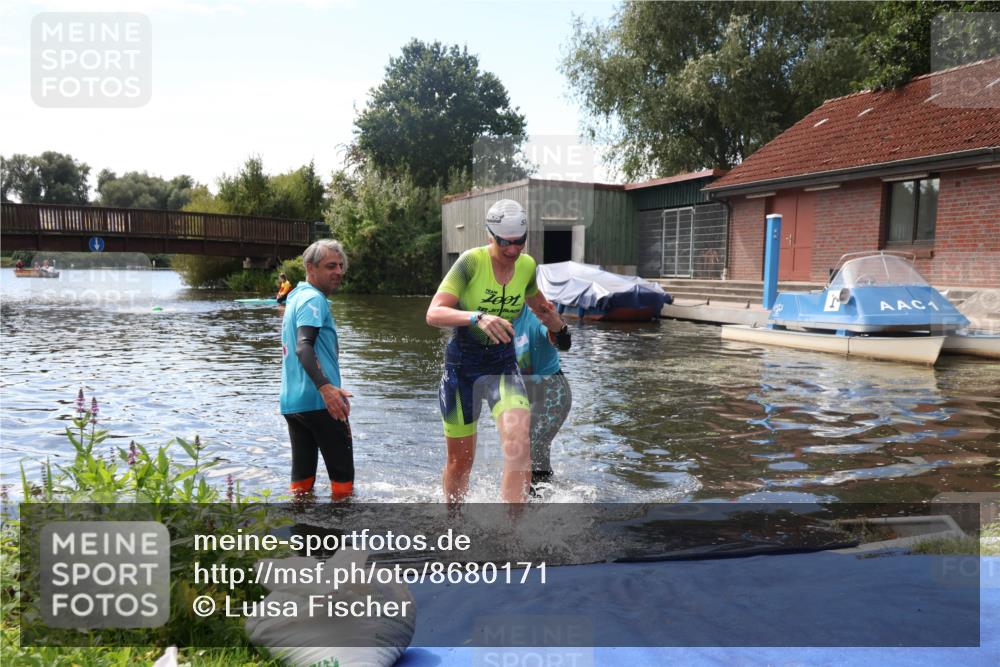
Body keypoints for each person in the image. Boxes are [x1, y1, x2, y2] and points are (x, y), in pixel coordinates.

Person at [426, 199, 556, 504]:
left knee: (519, 445)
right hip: (462, 368)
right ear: (490, 237)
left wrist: (557, 325)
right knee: (461, 461)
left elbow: (539, 304)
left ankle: (512, 534)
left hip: (502, 365)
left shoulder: (527, 266)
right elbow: (433, 313)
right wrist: (476, 316)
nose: (513, 250)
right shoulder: (470, 262)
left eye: (519, 242)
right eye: (504, 243)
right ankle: (453, 525)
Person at [279, 240, 354, 499]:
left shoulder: (296, 296)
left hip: (294, 403)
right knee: (343, 487)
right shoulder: (313, 299)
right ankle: (341, 538)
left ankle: (300, 534)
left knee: (301, 486)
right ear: (310, 268)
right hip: (321, 404)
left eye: (341, 266)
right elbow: (304, 347)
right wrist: (327, 389)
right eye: (330, 266)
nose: (338, 272)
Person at [512, 305, 572, 491]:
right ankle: (544, 497)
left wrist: (559, 328)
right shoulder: (496, 317)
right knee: (521, 450)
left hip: (552, 391)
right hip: (524, 394)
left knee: (533, 448)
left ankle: (538, 501)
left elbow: (562, 343)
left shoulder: (535, 315)